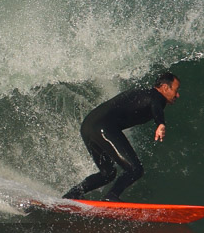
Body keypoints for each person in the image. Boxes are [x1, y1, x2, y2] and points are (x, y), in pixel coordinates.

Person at [63, 72, 182, 202]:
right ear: (165, 87)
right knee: (135, 169)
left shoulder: (143, 94)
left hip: (88, 126)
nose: (177, 95)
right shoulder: (155, 96)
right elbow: (156, 104)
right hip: (104, 127)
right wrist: (160, 124)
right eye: (176, 90)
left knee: (107, 174)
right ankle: (111, 197)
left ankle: (72, 194)